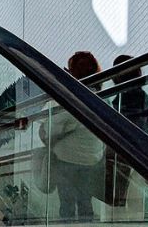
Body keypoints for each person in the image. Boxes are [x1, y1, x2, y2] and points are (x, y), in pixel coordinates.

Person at [50, 51, 104, 222]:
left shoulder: (71, 97)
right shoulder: (101, 98)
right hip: (92, 158)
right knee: (85, 201)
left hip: (67, 158)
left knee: (66, 203)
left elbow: (52, 127)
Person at [106, 54, 148, 206]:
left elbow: (124, 122)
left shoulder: (128, 96)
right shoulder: (140, 96)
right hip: (133, 147)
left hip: (124, 147)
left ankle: (116, 202)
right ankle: (117, 202)